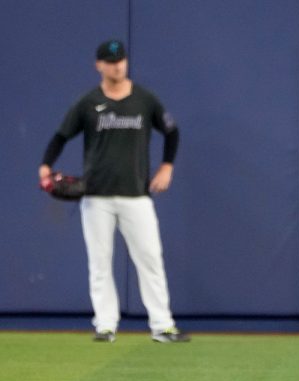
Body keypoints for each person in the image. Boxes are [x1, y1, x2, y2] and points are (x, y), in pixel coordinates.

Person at [39, 40, 189, 343]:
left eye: (121, 59)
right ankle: (105, 325)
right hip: (97, 196)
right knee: (100, 261)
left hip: (136, 196)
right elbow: (60, 135)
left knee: (150, 259)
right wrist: (46, 165)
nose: (117, 64)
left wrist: (167, 167)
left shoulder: (145, 100)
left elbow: (172, 131)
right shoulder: (88, 102)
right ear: (99, 65)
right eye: (110, 61)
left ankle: (162, 325)